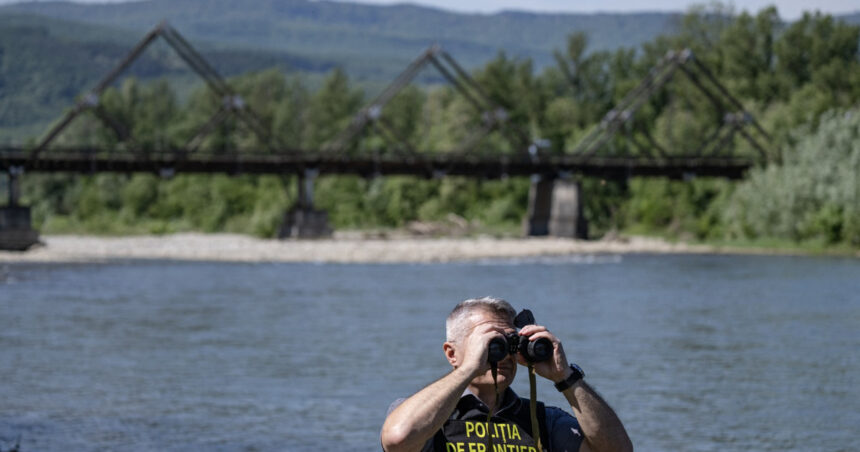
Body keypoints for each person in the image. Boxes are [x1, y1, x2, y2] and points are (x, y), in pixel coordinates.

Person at [381, 296, 633, 452]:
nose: (502, 356)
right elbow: (397, 439)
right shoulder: (427, 418)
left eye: (509, 344)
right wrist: (469, 368)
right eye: (492, 344)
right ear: (451, 354)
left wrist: (565, 377)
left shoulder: (543, 420)